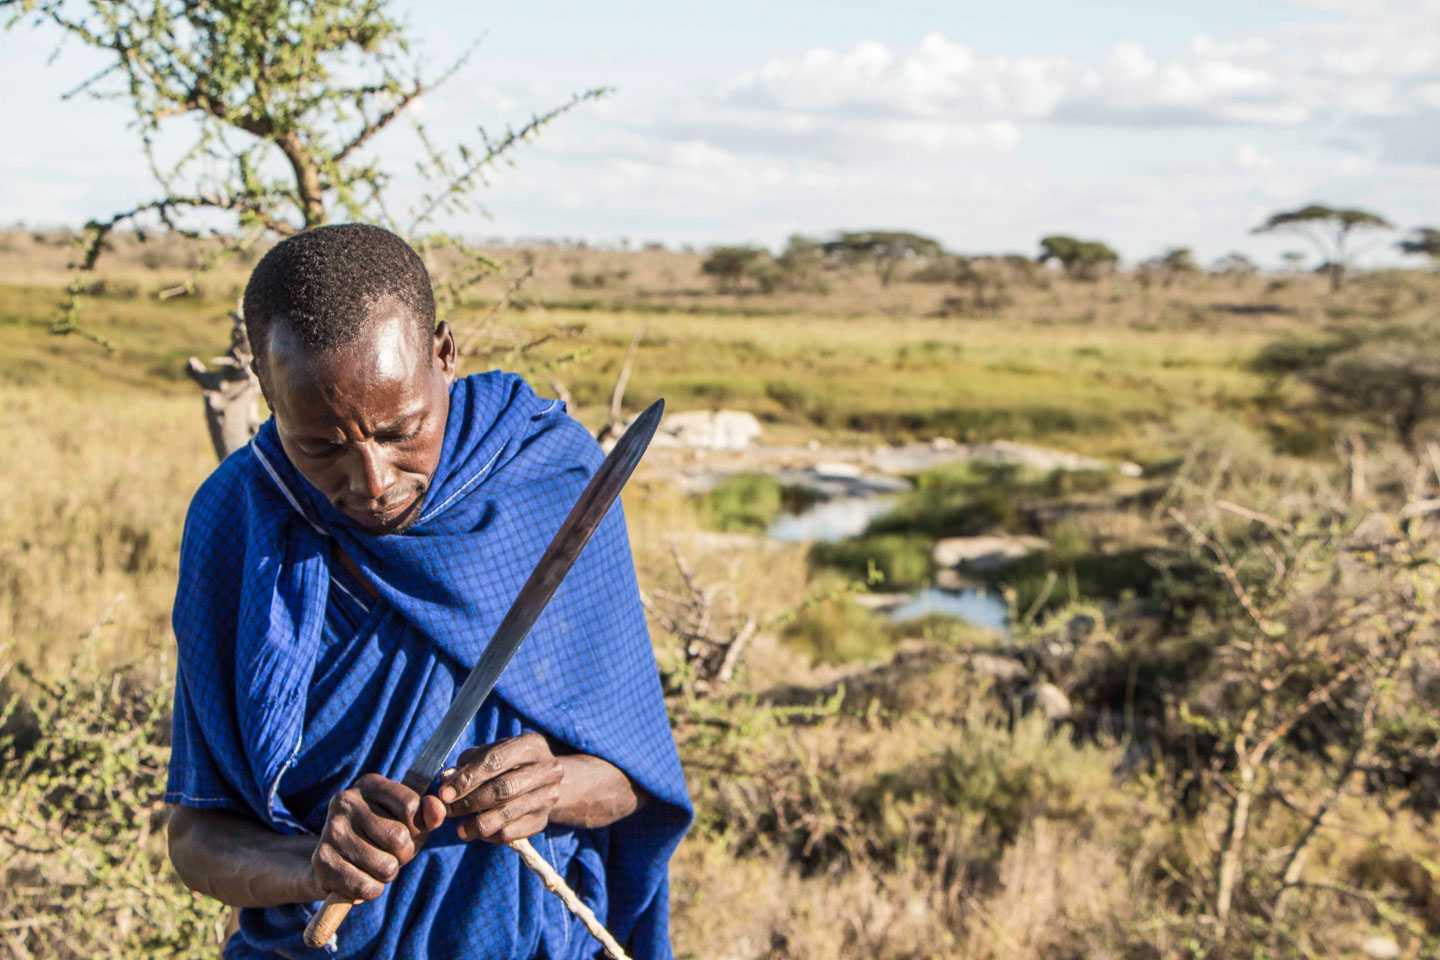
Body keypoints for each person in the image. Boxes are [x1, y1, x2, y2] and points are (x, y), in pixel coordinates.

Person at [164, 223, 691, 959]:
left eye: (400, 430)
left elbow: (633, 783)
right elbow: (196, 837)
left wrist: (552, 788)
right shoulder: (239, 521)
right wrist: (310, 864)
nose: (372, 484)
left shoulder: (549, 483)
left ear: (444, 352)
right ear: (262, 381)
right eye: (321, 445)